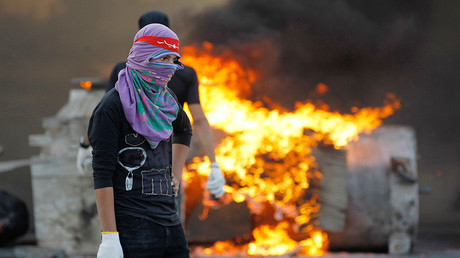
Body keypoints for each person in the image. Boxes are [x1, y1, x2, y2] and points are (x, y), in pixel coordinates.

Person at [88, 23, 192, 257]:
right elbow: (102, 172)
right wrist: (109, 237)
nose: (169, 68)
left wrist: (175, 174)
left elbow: (184, 130)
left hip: (170, 224)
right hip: (132, 226)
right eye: (162, 58)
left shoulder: (166, 100)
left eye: (173, 60)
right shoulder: (112, 106)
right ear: (144, 57)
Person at [106, 11, 226, 201]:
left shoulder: (123, 71)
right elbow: (200, 121)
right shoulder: (185, 73)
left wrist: (85, 145)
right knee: (170, 220)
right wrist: (213, 164)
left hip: (130, 161)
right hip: (165, 163)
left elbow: (105, 118)